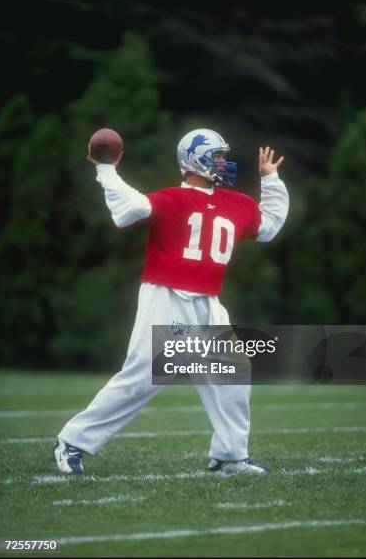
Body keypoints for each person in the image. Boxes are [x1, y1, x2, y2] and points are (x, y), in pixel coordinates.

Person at [53, 128, 289, 475]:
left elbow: (268, 227)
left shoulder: (236, 203)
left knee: (234, 373)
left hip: (208, 302)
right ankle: (72, 442)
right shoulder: (172, 199)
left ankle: (230, 455)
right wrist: (105, 169)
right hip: (166, 295)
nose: (224, 162)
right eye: (218, 155)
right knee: (142, 377)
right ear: (195, 159)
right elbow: (130, 208)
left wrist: (271, 181)